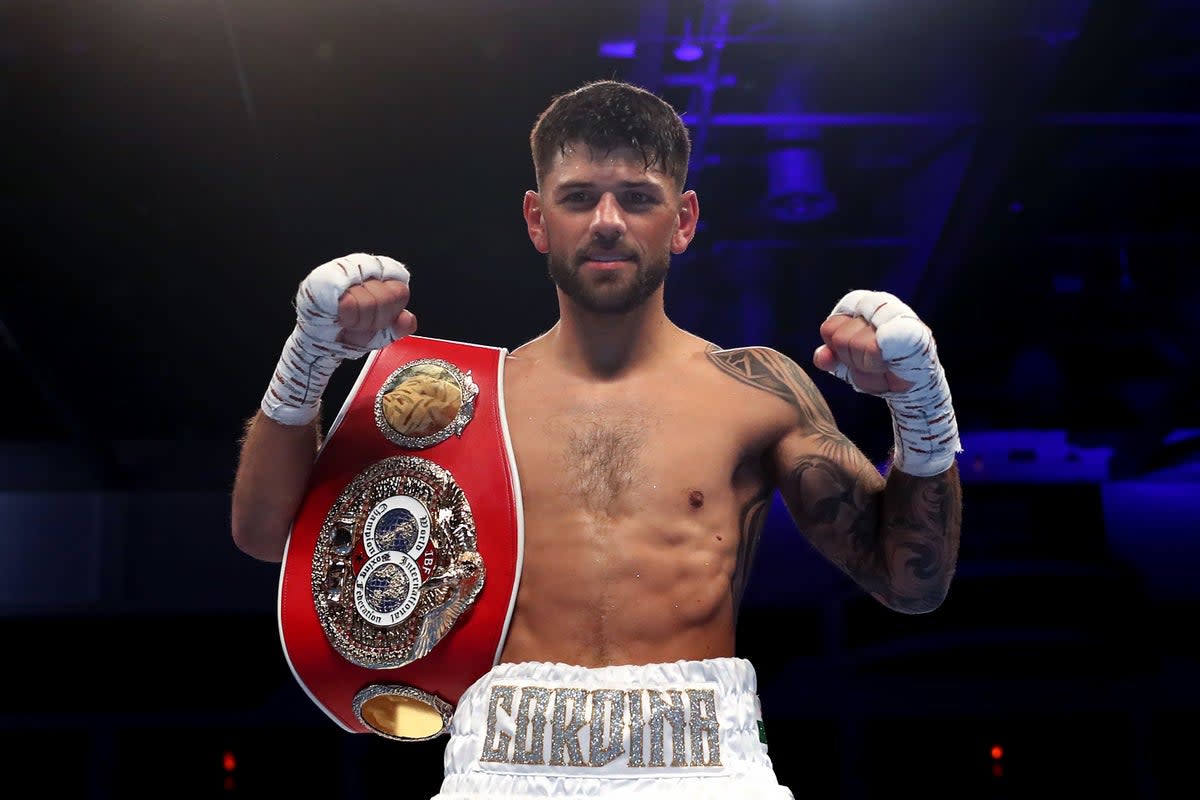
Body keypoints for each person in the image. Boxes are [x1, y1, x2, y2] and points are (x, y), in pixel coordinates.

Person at [231, 79, 963, 799]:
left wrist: (923, 410)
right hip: (502, 767)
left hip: (707, 766)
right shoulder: (458, 399)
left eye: (638, 197)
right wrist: (308, 357)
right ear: (537, 218)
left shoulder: (756, 388)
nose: (607, 221)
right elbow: (267, 534)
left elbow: (911, 584)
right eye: (578, 197)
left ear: (682, 220)